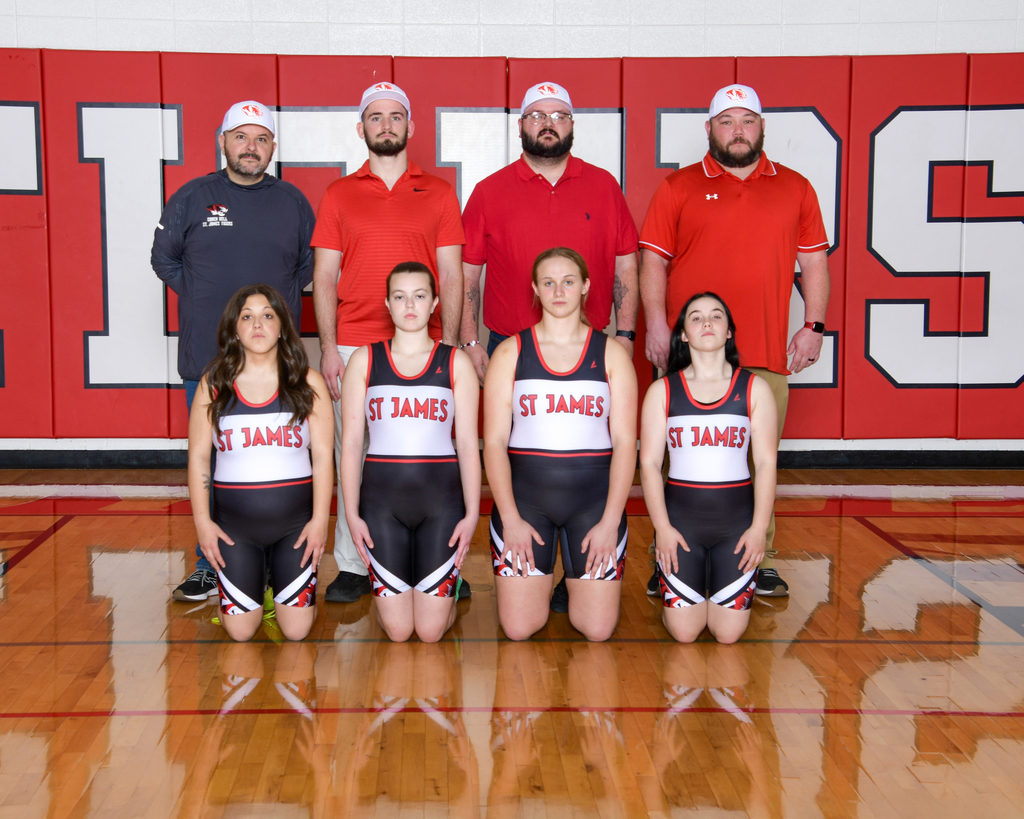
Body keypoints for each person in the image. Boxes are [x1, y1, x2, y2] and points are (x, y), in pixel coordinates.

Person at [638, 83, 830, 597]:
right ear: (709, 129)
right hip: (689, 355)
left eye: (747, 121)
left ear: (763, 128)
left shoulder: (796, 187)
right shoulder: (678, 188)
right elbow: (652, 260)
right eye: (727, 122)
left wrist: (814, 325)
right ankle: (669, 558)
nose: (738, 131)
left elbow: (813, 261)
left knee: (755, 459)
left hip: (764, 351)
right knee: (680, 461)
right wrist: (656, 323)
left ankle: (755, 559)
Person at [460, 81, 640, 614]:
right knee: (513, 450)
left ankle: (578, 569)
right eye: (536, 114)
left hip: (591, 350)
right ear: (520, 126)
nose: (548, 122)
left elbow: (627, 267)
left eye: (558, 114)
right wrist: (470, 340)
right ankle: (527, 559)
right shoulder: (491, 190)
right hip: (510, 348)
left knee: (590, 448)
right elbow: (469, 274)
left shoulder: (604, 186)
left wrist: (625, 338)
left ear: (572, 125)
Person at [153, 100, 316, 602]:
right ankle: (211, 564)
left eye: (261, 138)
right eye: (241, 136)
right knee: (216, 464)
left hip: (277, 366)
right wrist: (210, 300)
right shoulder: (192, 197)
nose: (251, 146)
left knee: (277, 465)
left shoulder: (292, 202)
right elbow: (165, 261)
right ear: (222, 141)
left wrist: (270, 316)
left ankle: (278, 564)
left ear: (272, 147)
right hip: (209, 358)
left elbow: (309, 269)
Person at [312, 82, 468, 604]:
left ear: (411, 126)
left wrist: (447, 349)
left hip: (426, 349)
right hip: (357, 343)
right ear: (361, 129)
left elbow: (452, 275)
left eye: (395, 116)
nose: (385, 125)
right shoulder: (338, 194)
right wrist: (329, 348)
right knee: (352, 454)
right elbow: (326, 275)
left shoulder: (441, 192)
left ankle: (445, 557)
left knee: (437, 452)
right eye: (375, 117)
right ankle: (356, 564)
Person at [483, 247, 637, 642]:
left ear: (585, 286)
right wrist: (511, 518)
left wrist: (610, 521)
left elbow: (624, 443)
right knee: (519, 629)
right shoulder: (510, 352)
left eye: (568, 281)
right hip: (527, 504)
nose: (558, 291)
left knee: (597, 629)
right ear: (535, 288)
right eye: (548, 283)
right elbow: (495, 442)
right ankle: (550, 580)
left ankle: (574, 582)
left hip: (593, 505)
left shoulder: (612, 354)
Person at [339, 263, 480, 642]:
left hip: (442, 504)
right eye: (400, 297)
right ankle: (412, 591)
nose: (410, 305)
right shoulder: (364, 361)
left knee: (431, 632)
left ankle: (441, 595)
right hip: (382, 505)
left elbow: (467, 443)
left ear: (435, 302)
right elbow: (352, 443)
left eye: (419, 296)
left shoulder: (456, 362)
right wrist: (351, 515)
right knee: (400, 632)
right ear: (387, 303)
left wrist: (472, 514)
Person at [187, 284, 333, 642]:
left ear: (282, 326)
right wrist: (203, 524)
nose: (257, 325)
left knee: (297, 632)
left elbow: (324, 457)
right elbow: (199, 458)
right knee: (240, 632)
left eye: (268, 316)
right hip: (237, 528)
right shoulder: (214, 385)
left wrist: (319, 522)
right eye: (247, 317)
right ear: (233, 328)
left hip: (294, 527)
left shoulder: (307, 383)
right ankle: (258, 586)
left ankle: (273, 583)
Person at [638, 292, 777, 644]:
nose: (707, 323)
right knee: (685, 634)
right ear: (683, 334)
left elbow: (765, 462)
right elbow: (650, 464)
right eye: (696, 318)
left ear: (729, 331)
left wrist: (759, 528)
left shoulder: (754, 388)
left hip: (736, 525)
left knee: (727, 635)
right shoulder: (663, 391)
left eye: (716, 316)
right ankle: (685, 585)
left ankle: (713, 581)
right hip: (682, 525)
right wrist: (662, 530)